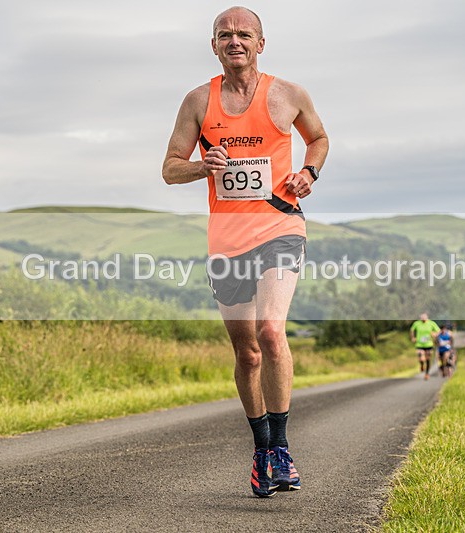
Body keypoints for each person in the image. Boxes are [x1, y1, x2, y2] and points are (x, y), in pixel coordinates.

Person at [162, 6, 328, 498]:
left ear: (260, 43)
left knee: (271, 331)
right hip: (227, 239)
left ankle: (281, 446)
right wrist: (201, 166)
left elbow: (318, 139)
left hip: (280, 225)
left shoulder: (288, 94)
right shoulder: (197, 101)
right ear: (214, 46)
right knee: (247, 352)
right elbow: (170, 168)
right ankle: (260, 450)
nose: (234, 40)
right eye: (224, 34)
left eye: (244, 34)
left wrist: (309, 173)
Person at [410, 313, 440, 380]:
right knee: (421, 356)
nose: (423, 318)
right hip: (419, 344)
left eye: (424, 317)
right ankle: (421, 364)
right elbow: (412, 330)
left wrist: (435, 334)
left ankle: (427, 374)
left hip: (429, 344)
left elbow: (438, 331)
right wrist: (413, 337)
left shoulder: (431, 323)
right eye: (422, 317)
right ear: (420, 317)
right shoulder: (417, 323)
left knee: (428, 359)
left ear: (427, 317)